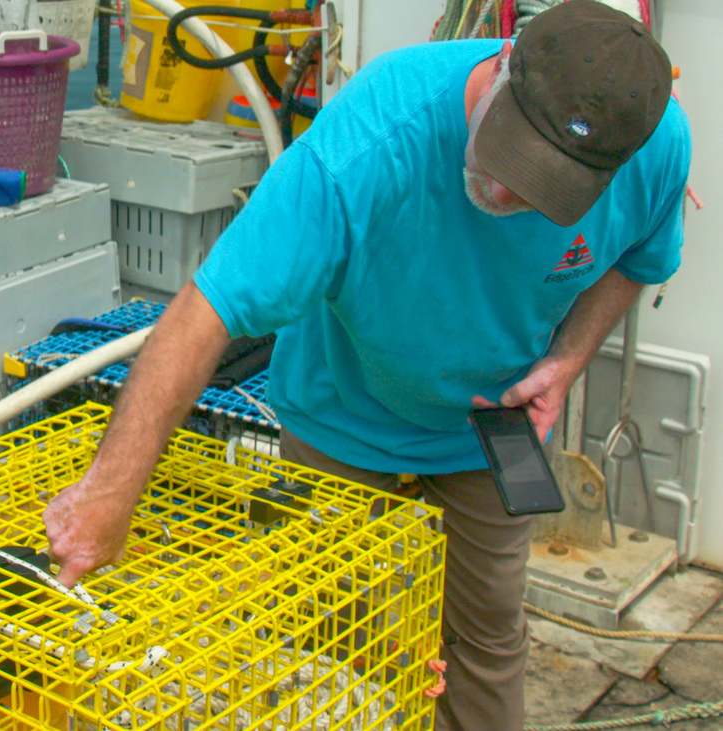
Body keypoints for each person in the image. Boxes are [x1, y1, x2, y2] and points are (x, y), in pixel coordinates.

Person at [43, 2, 691, 730]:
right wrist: (108, 493)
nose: (506, 191)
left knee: (488, 635)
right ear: (501, 63)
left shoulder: (656, 144)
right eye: (506, 155)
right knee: (330, 647)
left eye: (544, 186)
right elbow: (205, 310)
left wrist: (570, 358)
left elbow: (640, 259)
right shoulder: (371, 141)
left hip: (493, 421)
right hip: (343, 411)